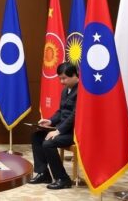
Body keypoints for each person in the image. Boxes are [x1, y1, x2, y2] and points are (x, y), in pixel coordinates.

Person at [28, 62, 78, 190]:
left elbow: (75, 115)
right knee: (37, 136)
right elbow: (61, 112)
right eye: (60, 78)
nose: (62, 81)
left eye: (64, 78)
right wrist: (50, 122)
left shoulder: (82, 91)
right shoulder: (65, 91)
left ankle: (63, 178)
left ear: (75, 75)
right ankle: (43, 173)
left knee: (48, 143)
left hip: (75, 132)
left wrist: (58, 131)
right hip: (63, 129)